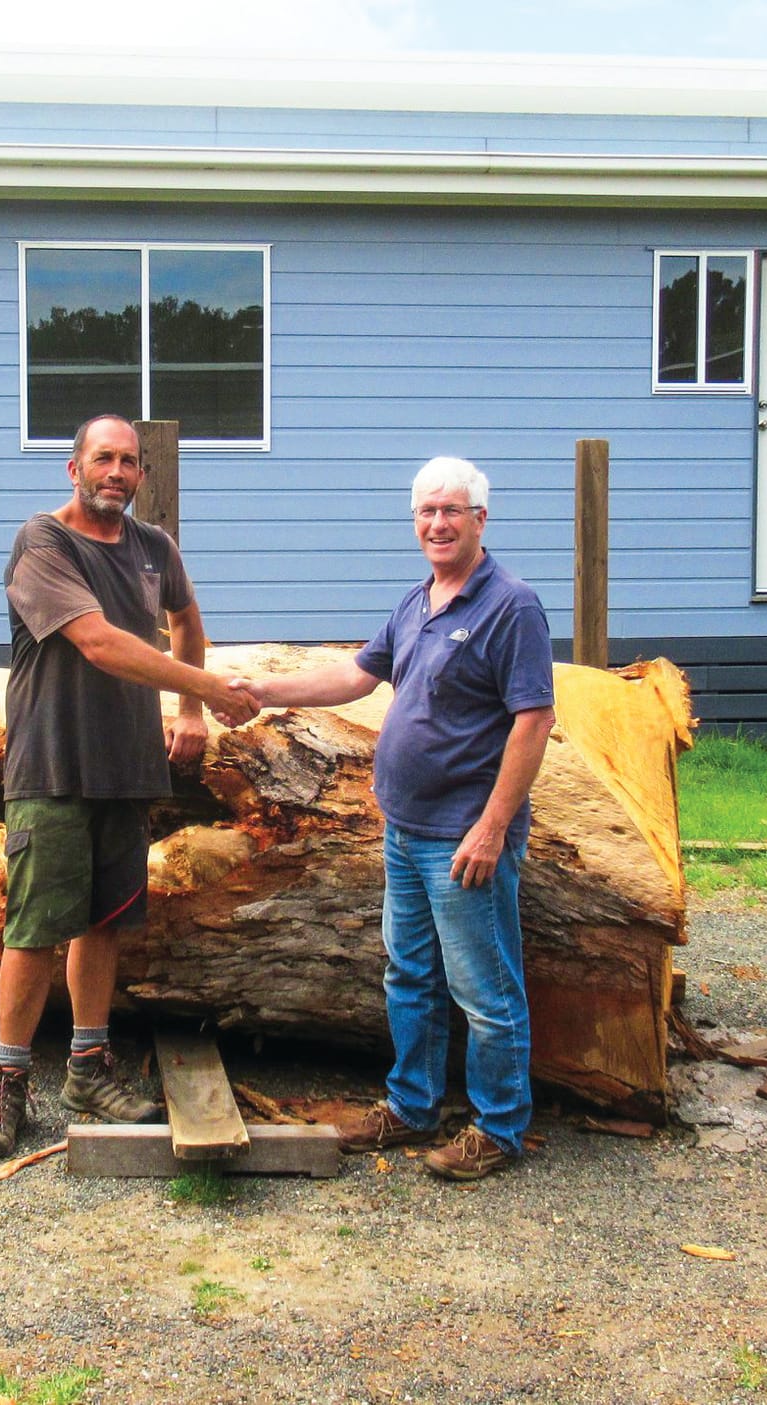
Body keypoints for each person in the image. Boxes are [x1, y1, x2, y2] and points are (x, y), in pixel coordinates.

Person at [226, 456, 555, 1181]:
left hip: (464, 835)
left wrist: (493, 826)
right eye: (426, 512)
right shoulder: (417, 602)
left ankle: (500, 1126)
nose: (438, 523)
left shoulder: (512, 606)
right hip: (405, 830)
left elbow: (534, 720)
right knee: (410, 975)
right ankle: (412, 1106)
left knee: (484, 989)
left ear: (480, 519)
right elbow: (355, 675)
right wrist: (265, 691)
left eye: (452, 510)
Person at [0, 413, 260, 1159]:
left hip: (127, 767)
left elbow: (185, 617)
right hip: (53, 765)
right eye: (104, 459)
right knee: (34, 929)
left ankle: (88, 1070)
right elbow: (97, 642)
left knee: (104, 922)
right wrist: (209, 688)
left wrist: (189, 710)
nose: (118, 473)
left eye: (129, 461)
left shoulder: (154, 547)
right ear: (75, 469)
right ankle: (8, 1083)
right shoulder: (43, 542)